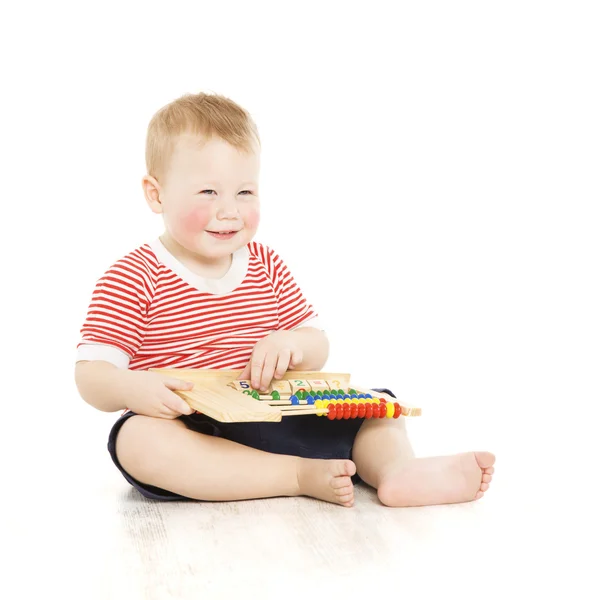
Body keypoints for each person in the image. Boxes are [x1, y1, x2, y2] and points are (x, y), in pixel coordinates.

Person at [74, 92, 495, 508]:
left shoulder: (266, 264)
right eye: (208, 192)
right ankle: (295, 475)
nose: (230, 211)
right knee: (138, 440)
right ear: (156, 194)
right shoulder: (133, 276)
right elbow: (91, 375)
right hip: (195, 431)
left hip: (277, 413)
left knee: (375, 407)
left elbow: (317, 344)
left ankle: (397, 472)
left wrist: (292, 343)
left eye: (245, 192)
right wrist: (131, 387)